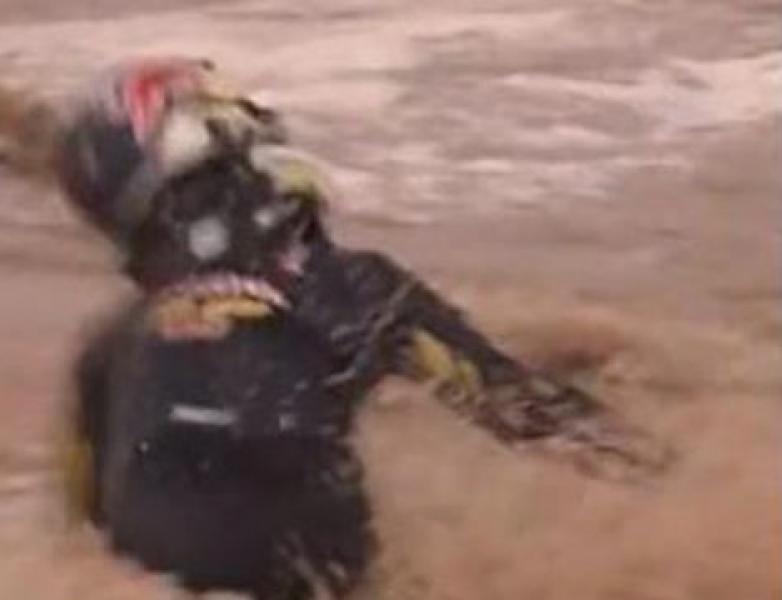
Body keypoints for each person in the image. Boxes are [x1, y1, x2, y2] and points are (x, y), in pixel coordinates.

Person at [53, 57, 672, 599]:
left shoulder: (109, 348)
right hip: (306, 569)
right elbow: (523, 411)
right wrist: (674, 476)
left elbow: (79, 538)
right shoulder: (344, 287)